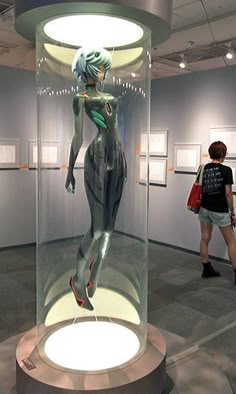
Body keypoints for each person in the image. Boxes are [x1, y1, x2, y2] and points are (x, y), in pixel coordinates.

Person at [65, 47, 127, 311]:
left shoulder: (112, 97)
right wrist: (69, 170)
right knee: (99, 228)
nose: (103, 70)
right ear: (87, 67)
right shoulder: (80, 99)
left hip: (118, 159)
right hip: (98, 158)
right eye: (99, 65)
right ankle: (78, 279)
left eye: (105, 65)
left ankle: (95, 275)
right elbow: (78, 137)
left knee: (110, 231)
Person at [199, 141, 236, 284]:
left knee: (204, 237)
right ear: (222, 154)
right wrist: (232, 213)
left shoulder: (204, 168)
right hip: (220, 210)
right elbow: (228, 194)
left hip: (205, 208)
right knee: (231, 242)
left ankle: (206, 268)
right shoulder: (226, 170)